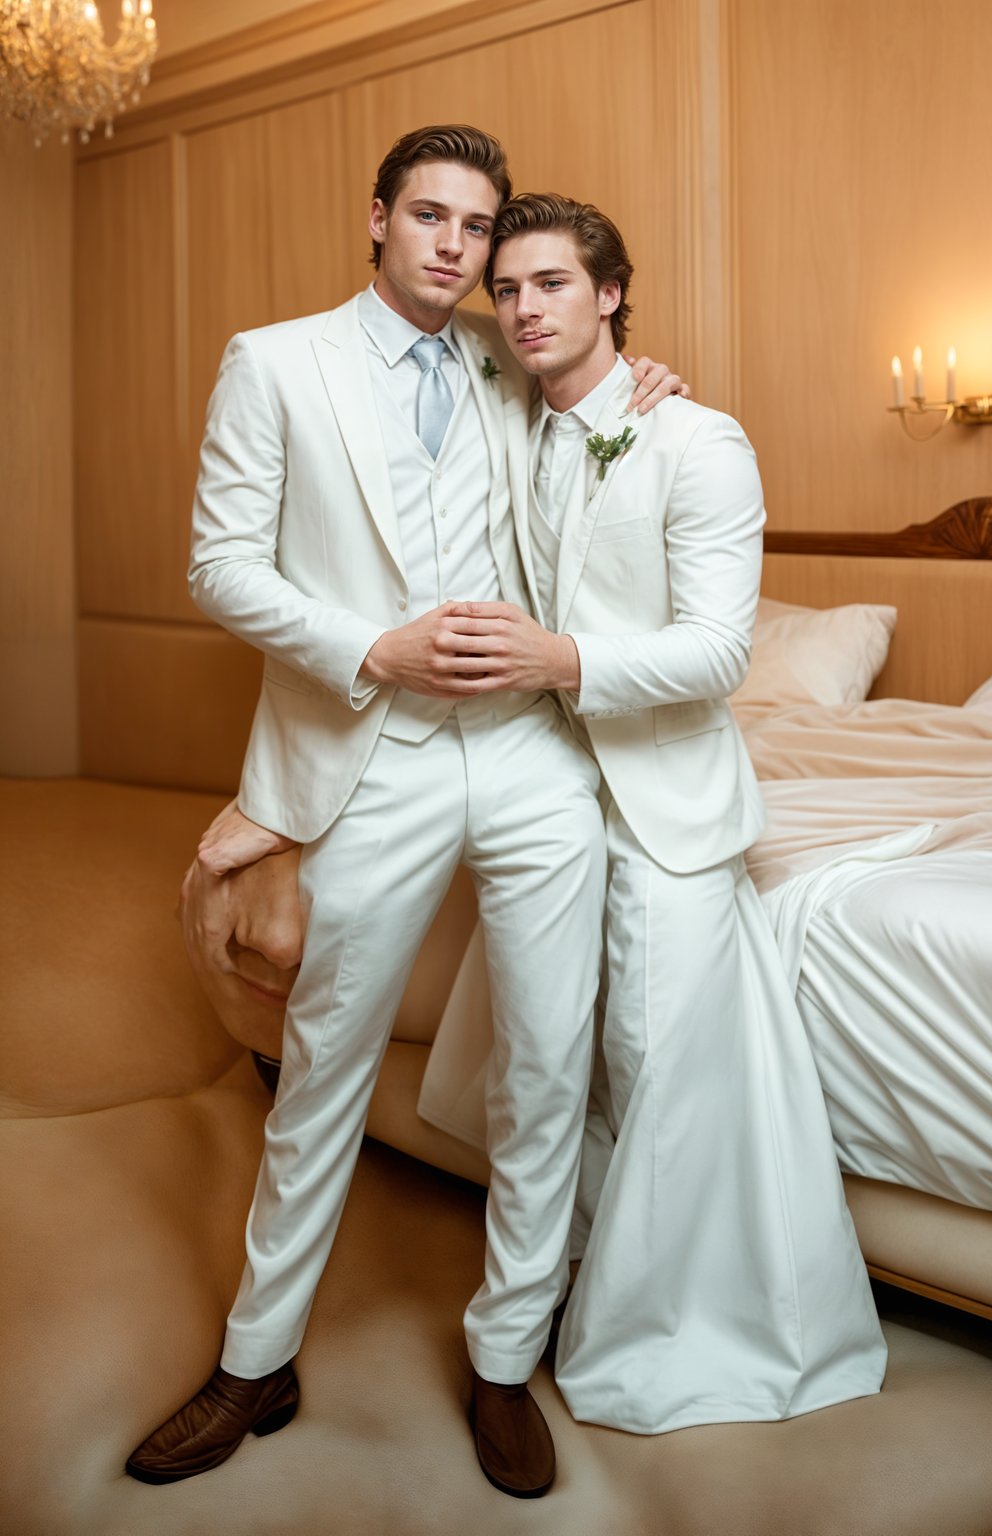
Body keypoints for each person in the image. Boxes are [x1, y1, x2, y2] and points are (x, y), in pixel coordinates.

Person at [125, 126, 683, 1498]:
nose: (455, 245)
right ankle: (257, 1355)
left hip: (533, 750)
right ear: (376, 218)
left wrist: (633, 392)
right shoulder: (277, 361)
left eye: (477, 227)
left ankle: (504, 1363)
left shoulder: (521, 354)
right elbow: (218, 566)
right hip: (377, 754)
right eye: (428, 215)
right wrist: (370, 648)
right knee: (323, 1060)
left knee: (549, 1064)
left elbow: (599, 456)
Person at [424, 191, 886, 1432]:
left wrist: (555, 661)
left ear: (611, 293)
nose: (522, 309)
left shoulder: (699, 441)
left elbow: (715, 653)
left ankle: (660, 1325)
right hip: (540, 796)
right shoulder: (514, 418)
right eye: (507, 289)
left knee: (658, 1064)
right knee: (549, 1061)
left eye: (553, 285)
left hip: (669, 801)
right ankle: (549, 1278)